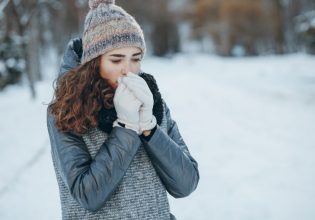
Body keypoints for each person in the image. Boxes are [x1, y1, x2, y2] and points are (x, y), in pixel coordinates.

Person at [47, 0, 199, 219]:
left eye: (135, 59)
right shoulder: (65, 109)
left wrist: (150, 128)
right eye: (116, 60)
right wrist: (126, 128)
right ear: (94, 63)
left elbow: (186, 184)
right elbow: (87, 195)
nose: (128, 70)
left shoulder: (152, 103)